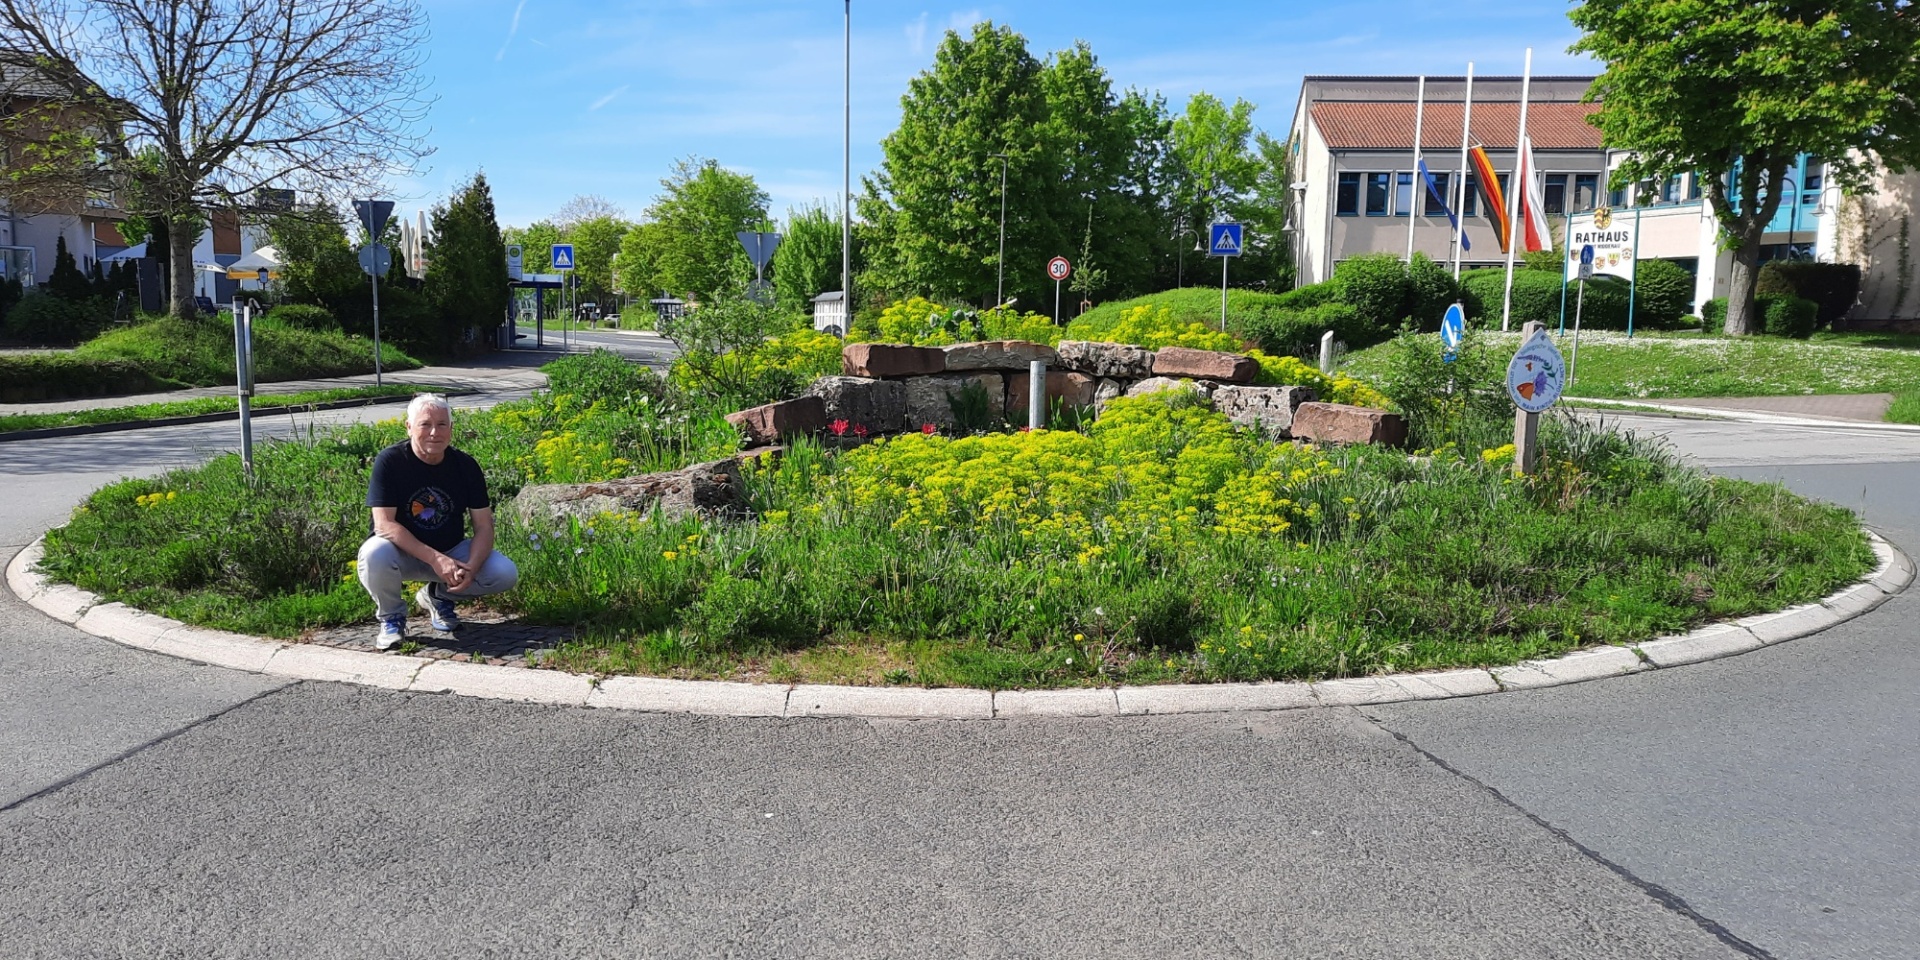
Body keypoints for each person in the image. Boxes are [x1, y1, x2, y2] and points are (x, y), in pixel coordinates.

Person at [356, 394, 518, 650]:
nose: (434, 432)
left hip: (451, 550)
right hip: (401, 553)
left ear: (451, 429)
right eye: (425, 424)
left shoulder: (465, 466)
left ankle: (437, 595)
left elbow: (484, 527)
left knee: (504, 573)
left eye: (442, 424)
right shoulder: (390, 461)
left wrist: (472, 567)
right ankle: (392, 618)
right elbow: (384, 525)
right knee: (374, 552)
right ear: (409, 427)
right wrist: (435, 559)